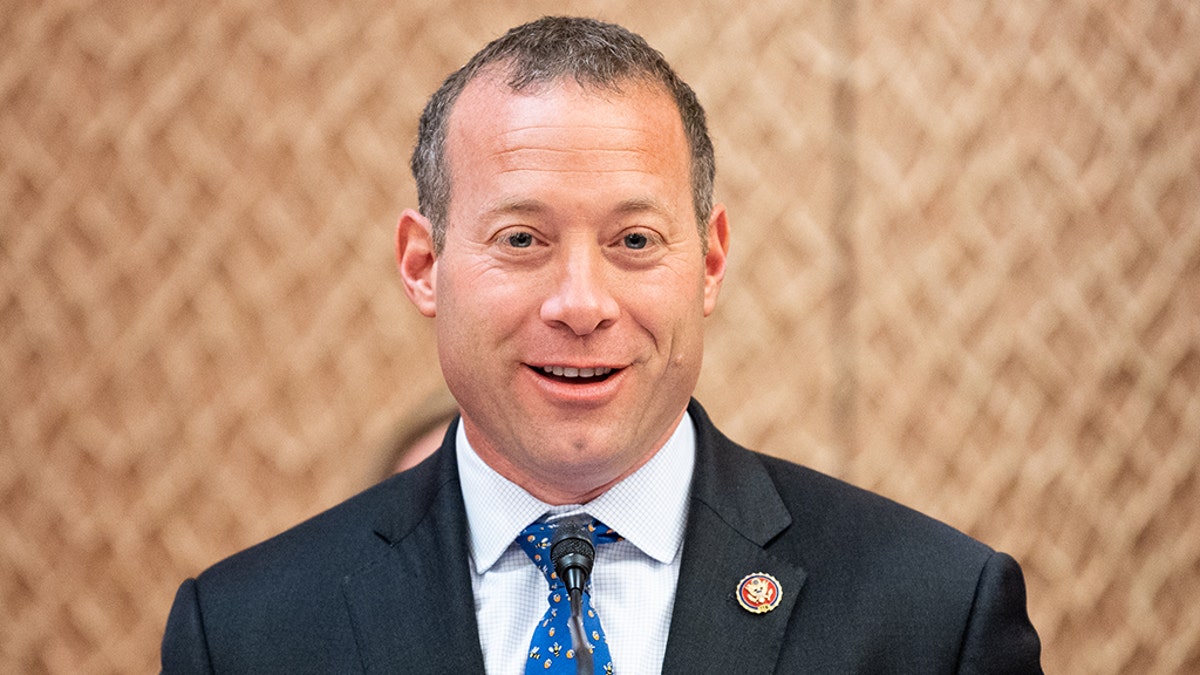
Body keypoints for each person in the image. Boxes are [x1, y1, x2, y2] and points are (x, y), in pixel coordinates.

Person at [162, 16, 1042, 673]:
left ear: (710, 260)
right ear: (423, 264)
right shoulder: (246, 632)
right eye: (521, 240)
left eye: (633, 241)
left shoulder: (932, 615)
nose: (581, 305)